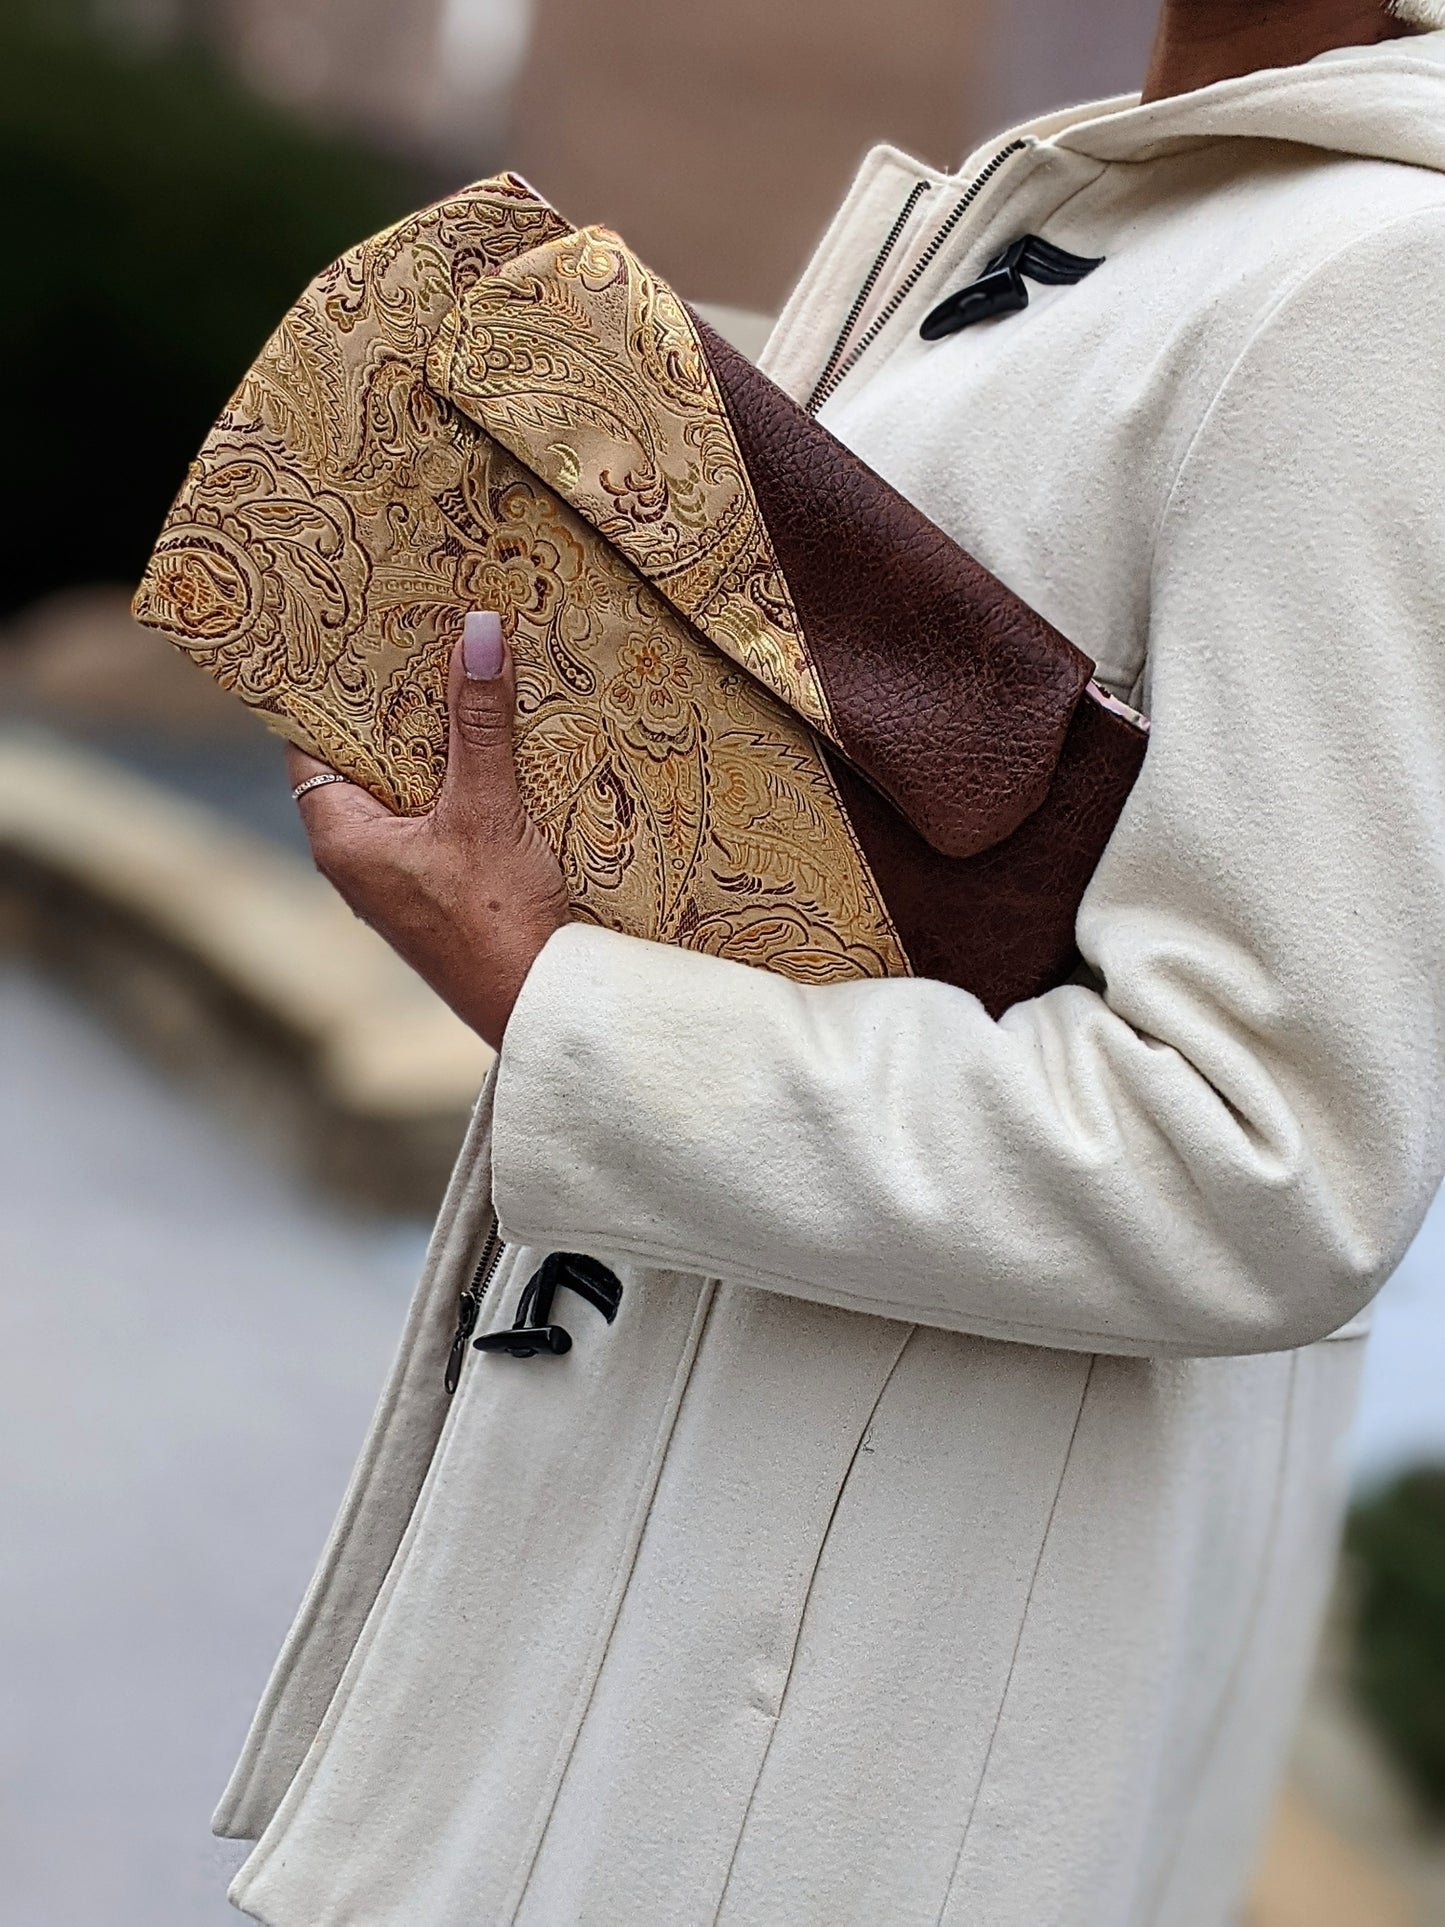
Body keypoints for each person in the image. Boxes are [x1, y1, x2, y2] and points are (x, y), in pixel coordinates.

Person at [221, 4, 1445, 1921]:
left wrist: (561, 1000)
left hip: (820, 1753)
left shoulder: (1383, 281)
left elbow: (1262, 1154)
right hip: (727, 1626)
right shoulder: (1153, 198)